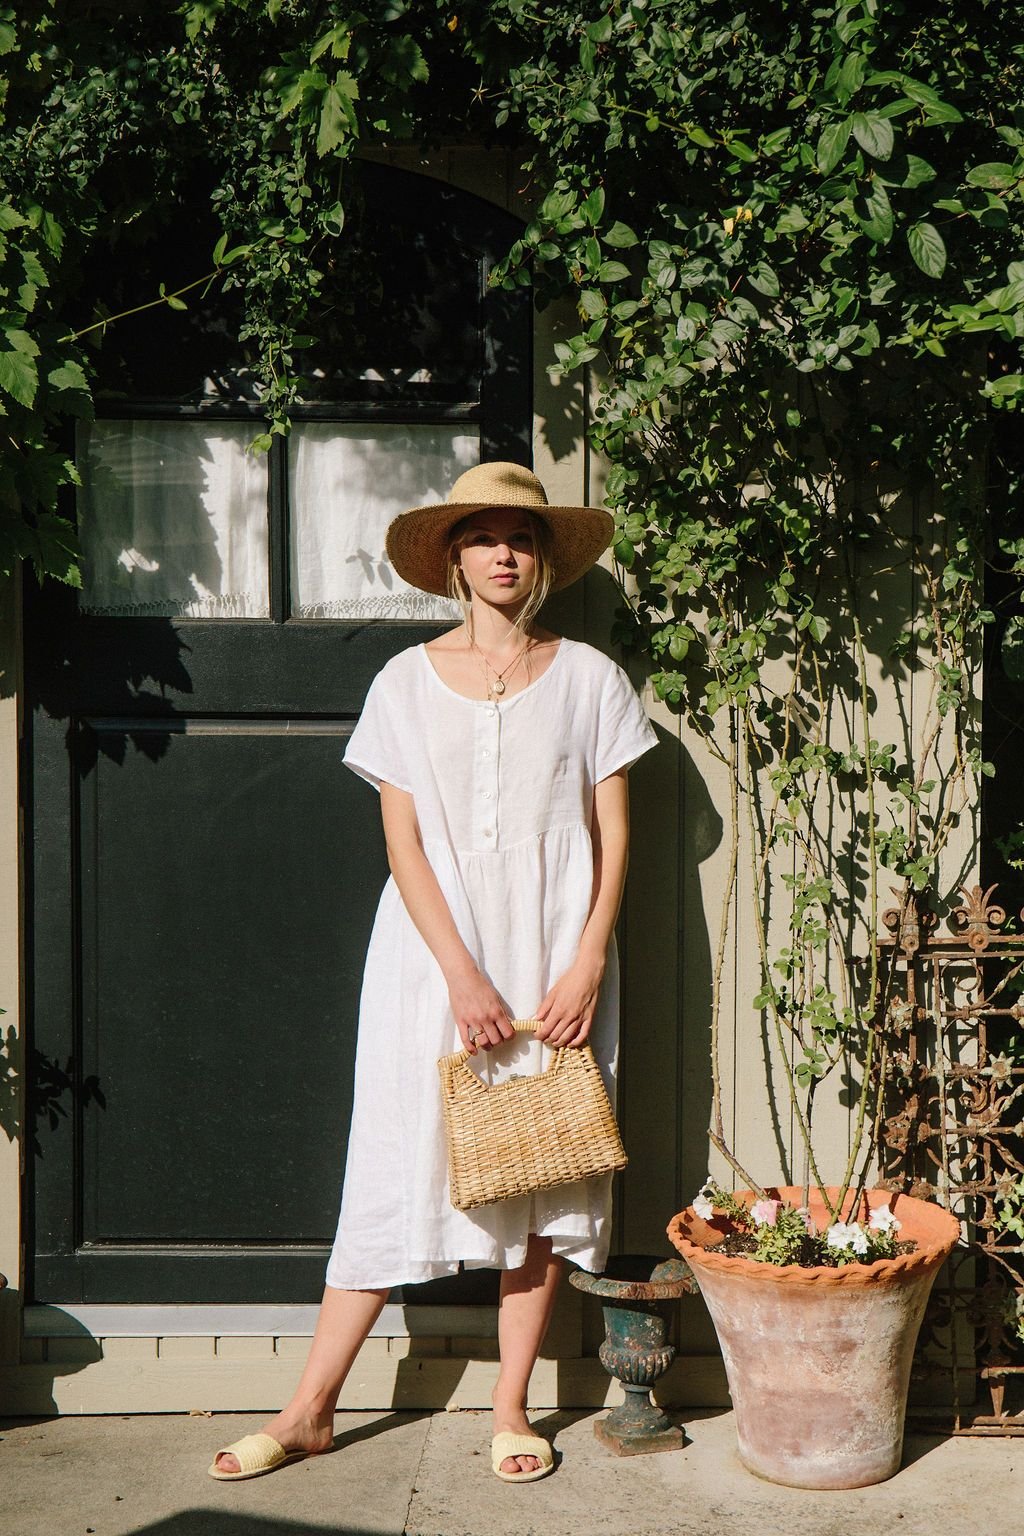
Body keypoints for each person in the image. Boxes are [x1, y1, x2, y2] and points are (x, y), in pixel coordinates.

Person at [208, 460, 658, 1485]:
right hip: (432, 962)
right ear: (452, 556)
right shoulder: (403, 682)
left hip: (554, 956)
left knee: (542, 1172)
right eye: (484, 535)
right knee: (394, 1167)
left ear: (542, 558)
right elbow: (404, 845)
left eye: (523, 537)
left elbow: (613, 830)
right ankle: (312, 1407)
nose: (504, 552)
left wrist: (587, 959)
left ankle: (510, 1407)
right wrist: (459, 975)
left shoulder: (588, 675)